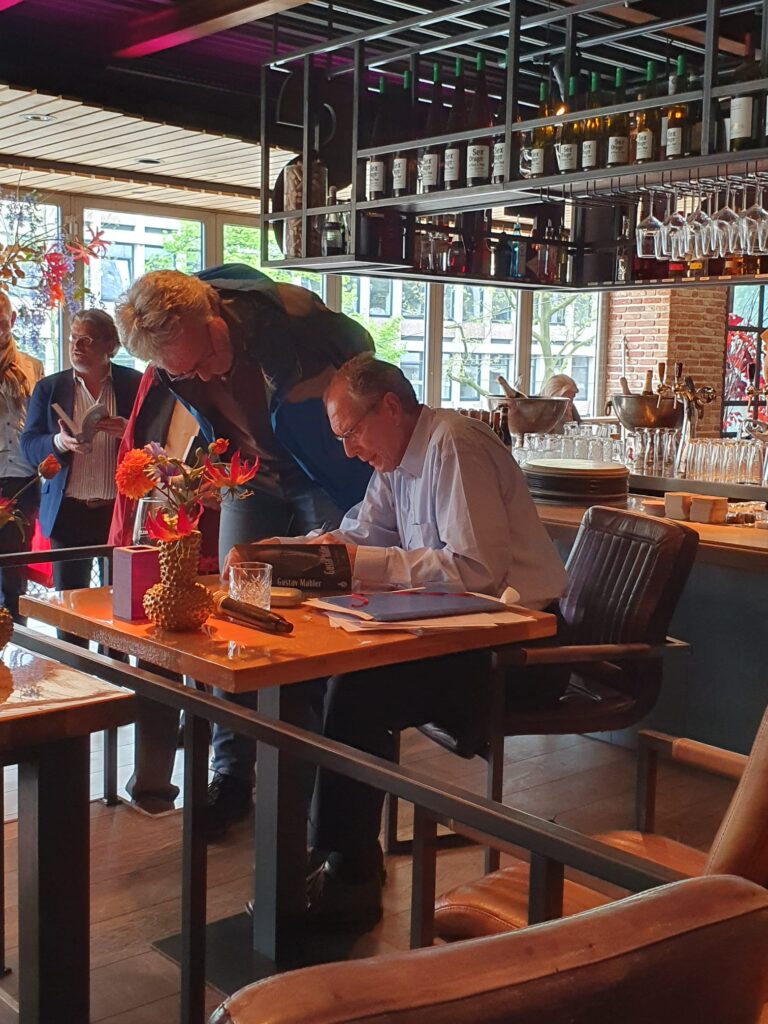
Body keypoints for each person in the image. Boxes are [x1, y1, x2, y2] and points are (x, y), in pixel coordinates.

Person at [230, 354, 569, 928]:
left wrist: (364, 563)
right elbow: (364, 532)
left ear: (389, 407)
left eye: (350, 432)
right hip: (462, 634)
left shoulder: (454, 447)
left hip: (523, 649)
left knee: (356, 692)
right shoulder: (398, 457)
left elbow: (477, 570)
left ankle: (349, 875)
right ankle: (347, 855)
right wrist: (297, 551)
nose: (346, 450)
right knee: (322, 678)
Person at [114, 265, 374, 837]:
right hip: (250, 479)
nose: (203, 374)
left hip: (319, 479)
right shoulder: (173, 357)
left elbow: (366, 362)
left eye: (204, 358)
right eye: (186, 372)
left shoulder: (294, 321)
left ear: (213, 314)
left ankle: (324, 796)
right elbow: (205, 414)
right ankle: (231, 777)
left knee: (328, 616)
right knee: (234, 621)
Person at [21, 309, 142, 592]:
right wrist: (60, 443)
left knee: (120, 604)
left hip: (118, 512)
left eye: (85, 340)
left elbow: (160, 443)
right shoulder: (49, 388)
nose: (75, 346)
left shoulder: (135, 385)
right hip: (68, 512)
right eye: (73, 338)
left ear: (110, 345)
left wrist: (130, 432)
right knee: (70, 605)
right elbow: (28, 446)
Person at [0, 293, 44, 621]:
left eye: (1, 323)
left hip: (21, 476)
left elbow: (39, 422)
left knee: (14, 567)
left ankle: (15, 638)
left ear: (12, 321)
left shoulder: (32, 366)